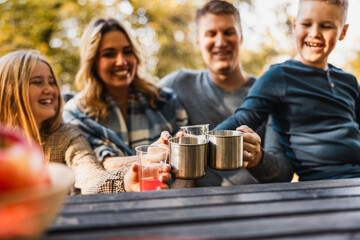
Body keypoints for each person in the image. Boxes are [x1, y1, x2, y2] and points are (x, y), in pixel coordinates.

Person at [215, 0, 360, 181]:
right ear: (295, 25)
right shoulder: (278, 77)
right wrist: (199, 142)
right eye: (306, 24)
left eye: (326, 26)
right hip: (323, 185)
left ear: (343, 32)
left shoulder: (349, 81)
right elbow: (242, 118)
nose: (314, 33)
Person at [158, 0, 293, 186]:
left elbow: (284, 173)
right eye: (211, 34)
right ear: (198, 41)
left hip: (255, 205)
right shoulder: (178, 84)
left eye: (228, 32)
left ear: (241, 37)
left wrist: (257, 158)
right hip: (195, 206)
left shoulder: (266, 94)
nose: (220, 42)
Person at [0, 50, 171, 194]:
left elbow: (90, 177)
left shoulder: (66, 136)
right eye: (37, 82)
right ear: (9, 91)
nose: (49, 89)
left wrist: (126, 181)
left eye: (52, 82)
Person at [63, 17, 187, 171]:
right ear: (92, 62)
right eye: (109, 54)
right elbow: (100, 166)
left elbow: (185, 165)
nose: (121, 61)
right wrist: (154, 156)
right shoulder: (76, 113)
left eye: (128, 52)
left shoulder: (166, 101)